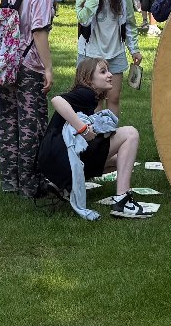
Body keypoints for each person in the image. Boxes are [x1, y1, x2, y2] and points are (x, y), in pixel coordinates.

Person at [36, 58, 147, 219]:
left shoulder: (90, 98)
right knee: (130, 133)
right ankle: (123, 200)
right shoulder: (86, 93)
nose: (110, 75)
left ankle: (61, 186)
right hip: (60, 158)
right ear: (89, 80)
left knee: (120, 160)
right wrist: (82, 128)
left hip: (53, 161)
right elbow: (57, 100)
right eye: (103, 72)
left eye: (108, 71)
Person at [0, 0, 66, 197]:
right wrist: (48, 68)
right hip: (28, 64)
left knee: (8, 122)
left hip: (5, 62)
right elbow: (39, 32)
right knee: (31, 124)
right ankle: (30, 183)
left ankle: (9, 180)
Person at [75, 0, 142, 108]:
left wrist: (134, 49)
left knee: (114, 98)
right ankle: (95, 126)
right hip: (90, 53)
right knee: (94, 100)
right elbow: (83, 19)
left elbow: (130, 21)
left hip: (115, 51)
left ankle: (111, 126)